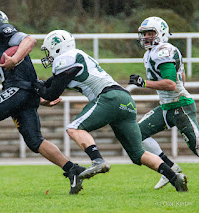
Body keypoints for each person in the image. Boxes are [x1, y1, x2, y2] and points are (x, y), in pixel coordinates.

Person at [34, 29, 188, 192]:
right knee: (138, 153)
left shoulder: (65, 59)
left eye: (48, 51)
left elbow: (51, 93)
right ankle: (174, 177)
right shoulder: (76, 58)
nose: (48, 56)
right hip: (126, 100)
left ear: (57, 47)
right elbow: (49, 85)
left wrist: (34, 87)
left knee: (74, 128)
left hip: (109, 98)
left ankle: (97, 160)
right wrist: (36, 87)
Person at [0, 9, 86, 195]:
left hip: (17, 89)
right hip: (25, 92)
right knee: (35, 141)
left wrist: (14, 59)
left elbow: (29, 40)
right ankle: (72, 169)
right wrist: (38, 98)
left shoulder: (2, 30)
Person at [128, 16, 199, 189]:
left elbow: (170, 83)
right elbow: (181, 76)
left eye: (150, 33)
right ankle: (170, 168)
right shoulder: (150, 53)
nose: (146, 38)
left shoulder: (164, 51)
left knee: (197, 146)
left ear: (162, 34)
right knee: (136, 134)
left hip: (180, 106)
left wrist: (143, 83)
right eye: (144, 34)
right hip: (167, 107)